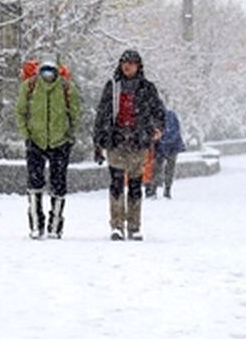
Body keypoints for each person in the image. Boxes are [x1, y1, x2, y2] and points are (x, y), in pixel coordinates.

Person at [92, 48, 165, 241]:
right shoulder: (113, 87)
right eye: (125, 62)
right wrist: (98, 141)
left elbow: (158, 111)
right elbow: (102, 114)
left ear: (138, 66)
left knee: (135, 185)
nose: (127, 66)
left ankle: (134, 225)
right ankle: (116, 225)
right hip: (116, 142)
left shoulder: (147, 88)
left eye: (131, 63)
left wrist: (157, 128)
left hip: (138, 143)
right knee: (116, 184)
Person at [15, 59, 82, 239]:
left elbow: (75, 114)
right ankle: (36, 224)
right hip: (35, 141)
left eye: (51, 72)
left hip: (60, 142)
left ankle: (55, 226)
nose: (47, 75)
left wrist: (69, 137)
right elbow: (20, 112)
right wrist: (27, 135)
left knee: (58, 184)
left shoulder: (67, 89)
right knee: (34, 183)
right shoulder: (29, 87)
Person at [143, 104, 186, 198]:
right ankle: (167, 190)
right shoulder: (172, 115)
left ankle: (153, 190)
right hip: (173, 146)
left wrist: (159, 140)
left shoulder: (155, 117)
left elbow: (154, 133)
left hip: (161, 147)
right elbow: (177, 130)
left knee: (156, 168)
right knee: (170, 169)